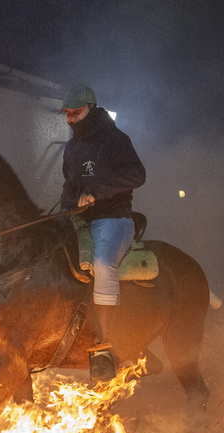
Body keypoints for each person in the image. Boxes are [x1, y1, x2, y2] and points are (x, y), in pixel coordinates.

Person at [59, 84, 146, 381]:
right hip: (80, 219)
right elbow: (69, 184)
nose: (71, 119)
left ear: (92, 109)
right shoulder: (71, 147)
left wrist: (96, 192)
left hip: (113, 219)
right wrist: (68, 204)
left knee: (102, 264)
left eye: (76, 113)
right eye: (67, 114)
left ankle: (104, 347)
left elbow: (137, 174)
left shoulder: (115, 139)